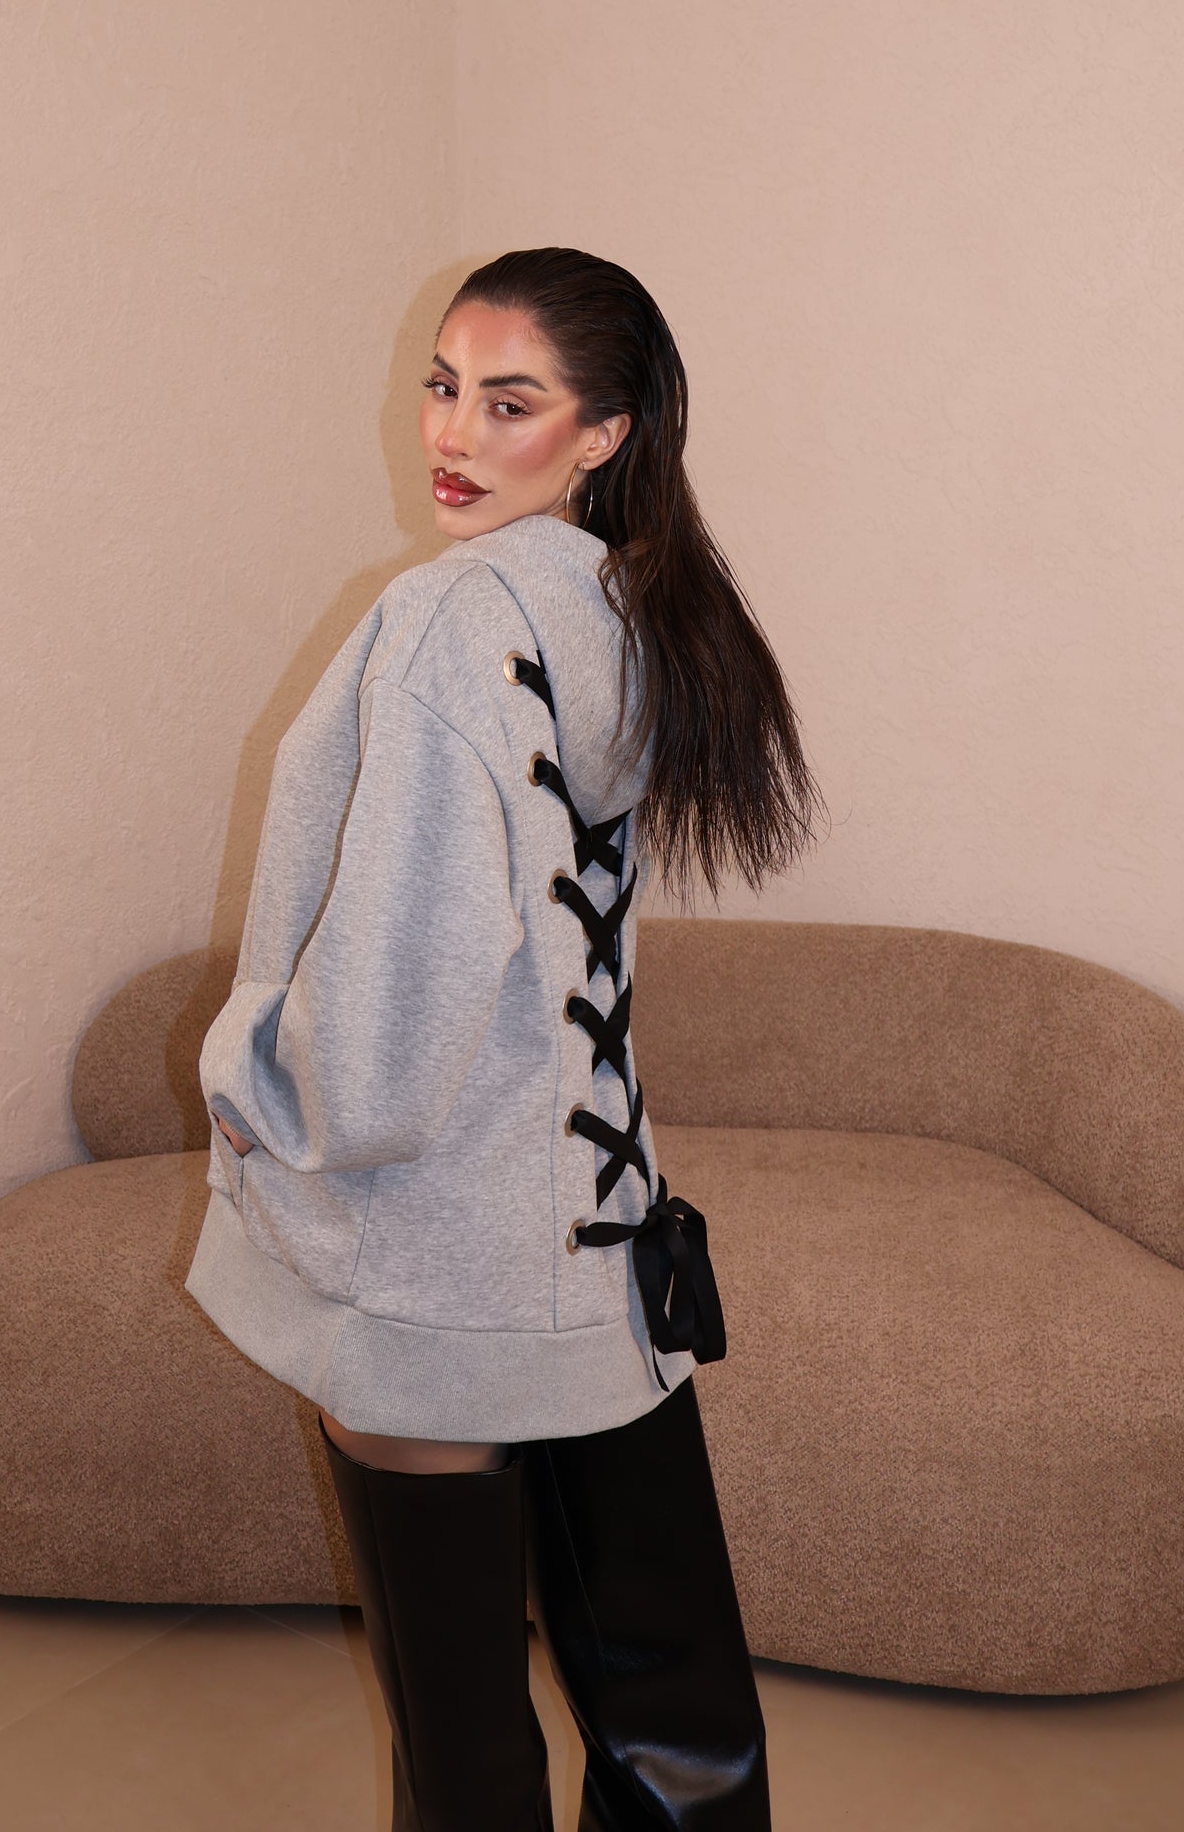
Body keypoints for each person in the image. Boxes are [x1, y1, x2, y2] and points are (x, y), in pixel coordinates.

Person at [186, 246, 824, 1831]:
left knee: (464, 1744)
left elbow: (387, 1016)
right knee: (676, 1712)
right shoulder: (634, 604)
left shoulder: (449, 616)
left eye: (511, 401)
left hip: (437, 1247)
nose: (455, 434)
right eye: (444, 385)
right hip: (600, 1241)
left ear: (604, 432)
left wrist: (253, 1082)